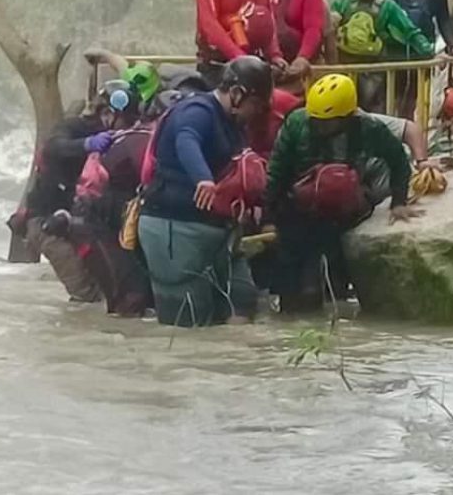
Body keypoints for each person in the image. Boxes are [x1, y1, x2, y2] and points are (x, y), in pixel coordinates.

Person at [137, 56, 273, 327]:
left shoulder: (233, 124)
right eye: (255, 104)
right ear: (236, 94)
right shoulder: (196, 111)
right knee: (189, 319)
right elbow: (187, 140)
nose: (257, 112)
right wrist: (203, 178)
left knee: (243, 300)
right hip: (175, 227)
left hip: (220, 231)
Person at [266, 74, 420, 312]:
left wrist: (398, 202)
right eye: (315, 120)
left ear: (347, 117)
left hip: (341, 214)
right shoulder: (296, 125)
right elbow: (276, 174)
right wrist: (269, 218)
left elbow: (397, 159)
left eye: (326, 122)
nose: (319, 126)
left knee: (329, 287)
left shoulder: (368, 128)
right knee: (293, 288)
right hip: (296, 213)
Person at [60, 89, 184, 316]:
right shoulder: (145, 142)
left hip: (115, 227)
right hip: (109, 227)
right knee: (135, 297)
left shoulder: (128, 143)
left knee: (135, 298)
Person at [23, 81, 138, 302]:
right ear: (106, 113)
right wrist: (86, 144)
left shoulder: (116, 138)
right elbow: (53, 147)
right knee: (86, 294)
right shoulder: (72, 128)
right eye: (124, 119)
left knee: (105, 289)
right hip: (46, 223)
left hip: (76, 222)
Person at [331, 0, 435, 113]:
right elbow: (328, 27)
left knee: (374, 113)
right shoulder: (343, 3)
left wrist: (428, 51)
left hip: (374, 68)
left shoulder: (387, 7)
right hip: (345, 65)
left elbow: (409, 31)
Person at [383, 0, 453, 118]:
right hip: (393, 49)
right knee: (387, 99)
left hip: (421, 50)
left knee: (410, 101)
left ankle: (405, 135)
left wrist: (452, 43)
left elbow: (443, 19)